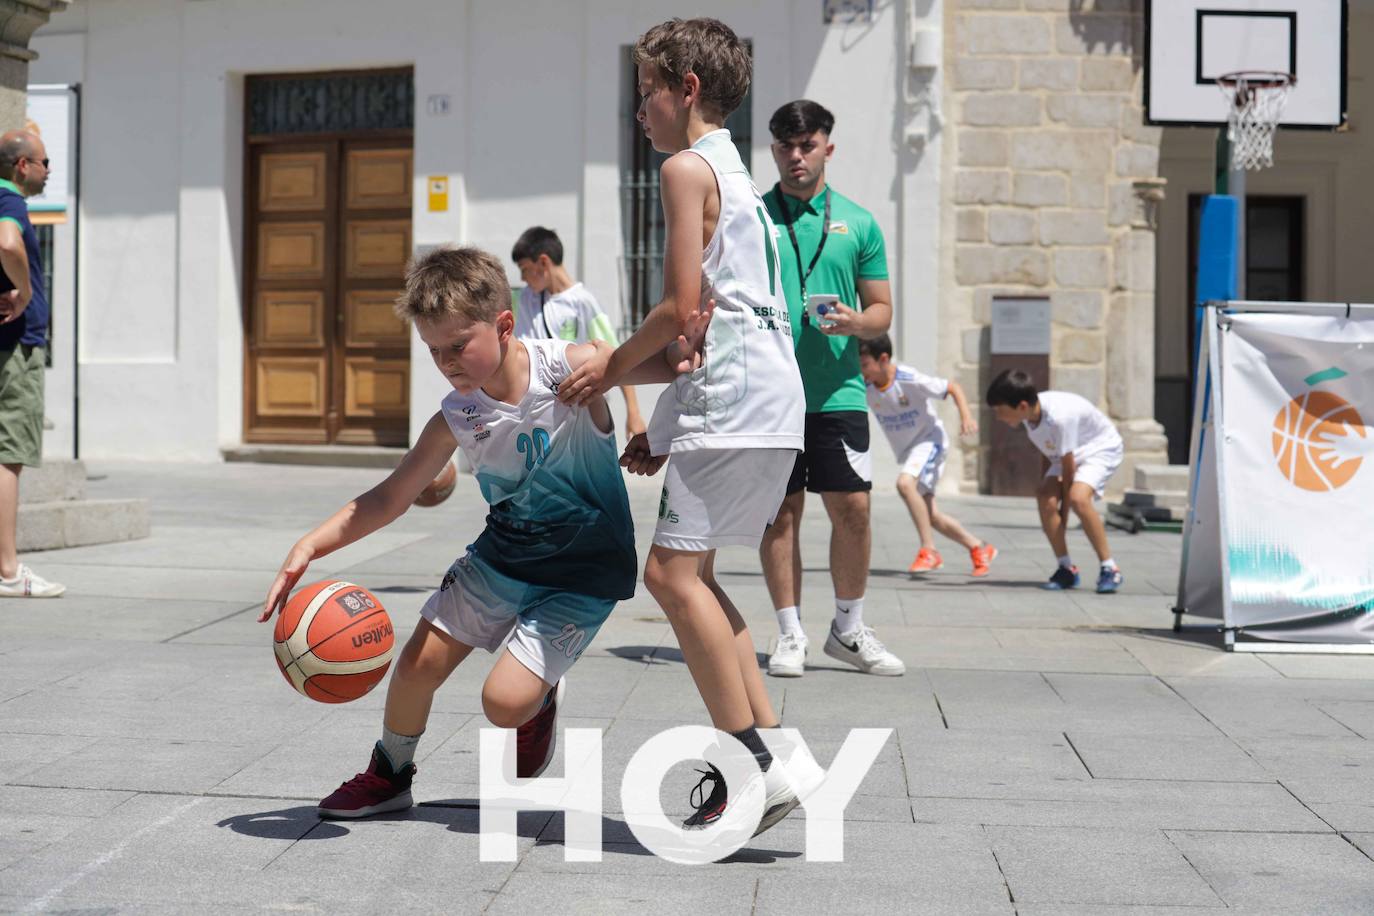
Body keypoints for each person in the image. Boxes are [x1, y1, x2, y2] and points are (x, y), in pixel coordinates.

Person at [259, 246, 676, 819]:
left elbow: (674, 361)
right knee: (415, 665)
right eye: (434, 351)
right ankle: (390, 772)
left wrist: (668, 415)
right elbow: (388, 497)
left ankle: (539, 696)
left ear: (504, 325)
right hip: (502, 558)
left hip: (585, 572)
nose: (448, 361)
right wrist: (311, 543)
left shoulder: (570, 368)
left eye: (458, 345)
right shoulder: (458, 415)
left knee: (502, 704)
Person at [558, 17, 819, 838]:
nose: (640, 111)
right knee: (695, 578)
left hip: (736, 401)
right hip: (771, 401)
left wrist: (605, 367)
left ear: (687, 90)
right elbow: (709, 329)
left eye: (647, 92)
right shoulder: (741, 177)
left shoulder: (683, 168)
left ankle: (754, 766)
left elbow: (680, 318)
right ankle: (776, 746)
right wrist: (665, 425)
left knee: (671, 580)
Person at [758, 100, 902, 679]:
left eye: (807, 145)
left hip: (838, 389)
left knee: (855, 510)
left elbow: (883, 310)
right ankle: (791, 633)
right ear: (774, 150)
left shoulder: (859, 222)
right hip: (770, 391)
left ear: (827, 148)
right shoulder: (754, 216)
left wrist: (856, 323)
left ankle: (848, 628)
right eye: (787, 147)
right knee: (780, 514)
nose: (797, 157)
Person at [858, 334, 997, 577]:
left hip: (930, 441)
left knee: (904, 483)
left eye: (865, 365)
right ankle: (979, 547)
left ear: (883, 359)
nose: (862, 372)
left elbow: (952, 387)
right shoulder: (866, 387)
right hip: (911, 450)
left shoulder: (908, 379)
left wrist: (966, 416)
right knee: (929, 514)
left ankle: (929, 550)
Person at [985, 368, 1125, 594]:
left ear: (1021, 406)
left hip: (1099, 447)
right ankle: (1066, 568)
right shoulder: (1029, 417)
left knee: (1079, 499)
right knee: (1044, 497)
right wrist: (1047, 490)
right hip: (1067, 452)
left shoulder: (1059, 418)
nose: (999, 418)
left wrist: (1064, 512)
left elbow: (1068, 468)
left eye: (1000, 411)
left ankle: (1110, 568)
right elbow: (1047, 450)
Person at [0, 130, 61, 599]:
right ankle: (8, 571)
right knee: (8, 455)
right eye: (43, 162)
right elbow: (7, 243)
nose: (47, 170)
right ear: (22, 165)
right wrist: (23, 293)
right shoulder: (12, 201)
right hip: (15, 346)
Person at [510, 226, 645, 437]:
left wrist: (634, 414)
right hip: (537, 416)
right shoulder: (524, 299)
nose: (523, 277)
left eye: (525, 268)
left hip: (580, 415)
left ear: (544, 262)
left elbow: (616, 357)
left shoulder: (583, 303)